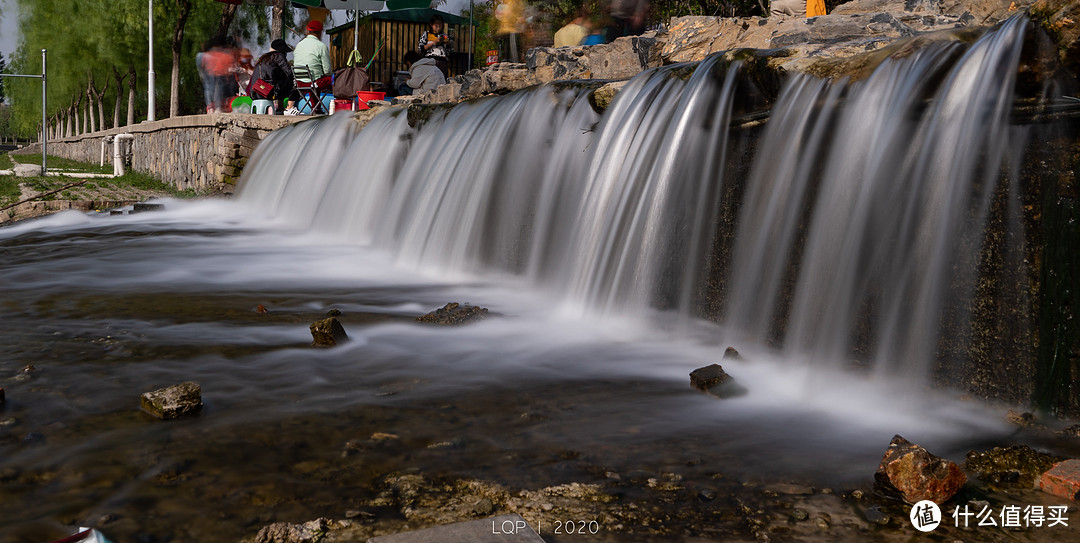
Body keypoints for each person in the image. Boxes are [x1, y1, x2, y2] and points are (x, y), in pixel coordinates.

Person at [249, 39, 295, 114]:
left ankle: (280, 108)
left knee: (281, 82)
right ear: (283, 51)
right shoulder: (279, 56)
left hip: (254, 92)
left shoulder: (265, 57)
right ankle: (288, 108)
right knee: (292, 83)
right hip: (266, 92)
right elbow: (289, 72)